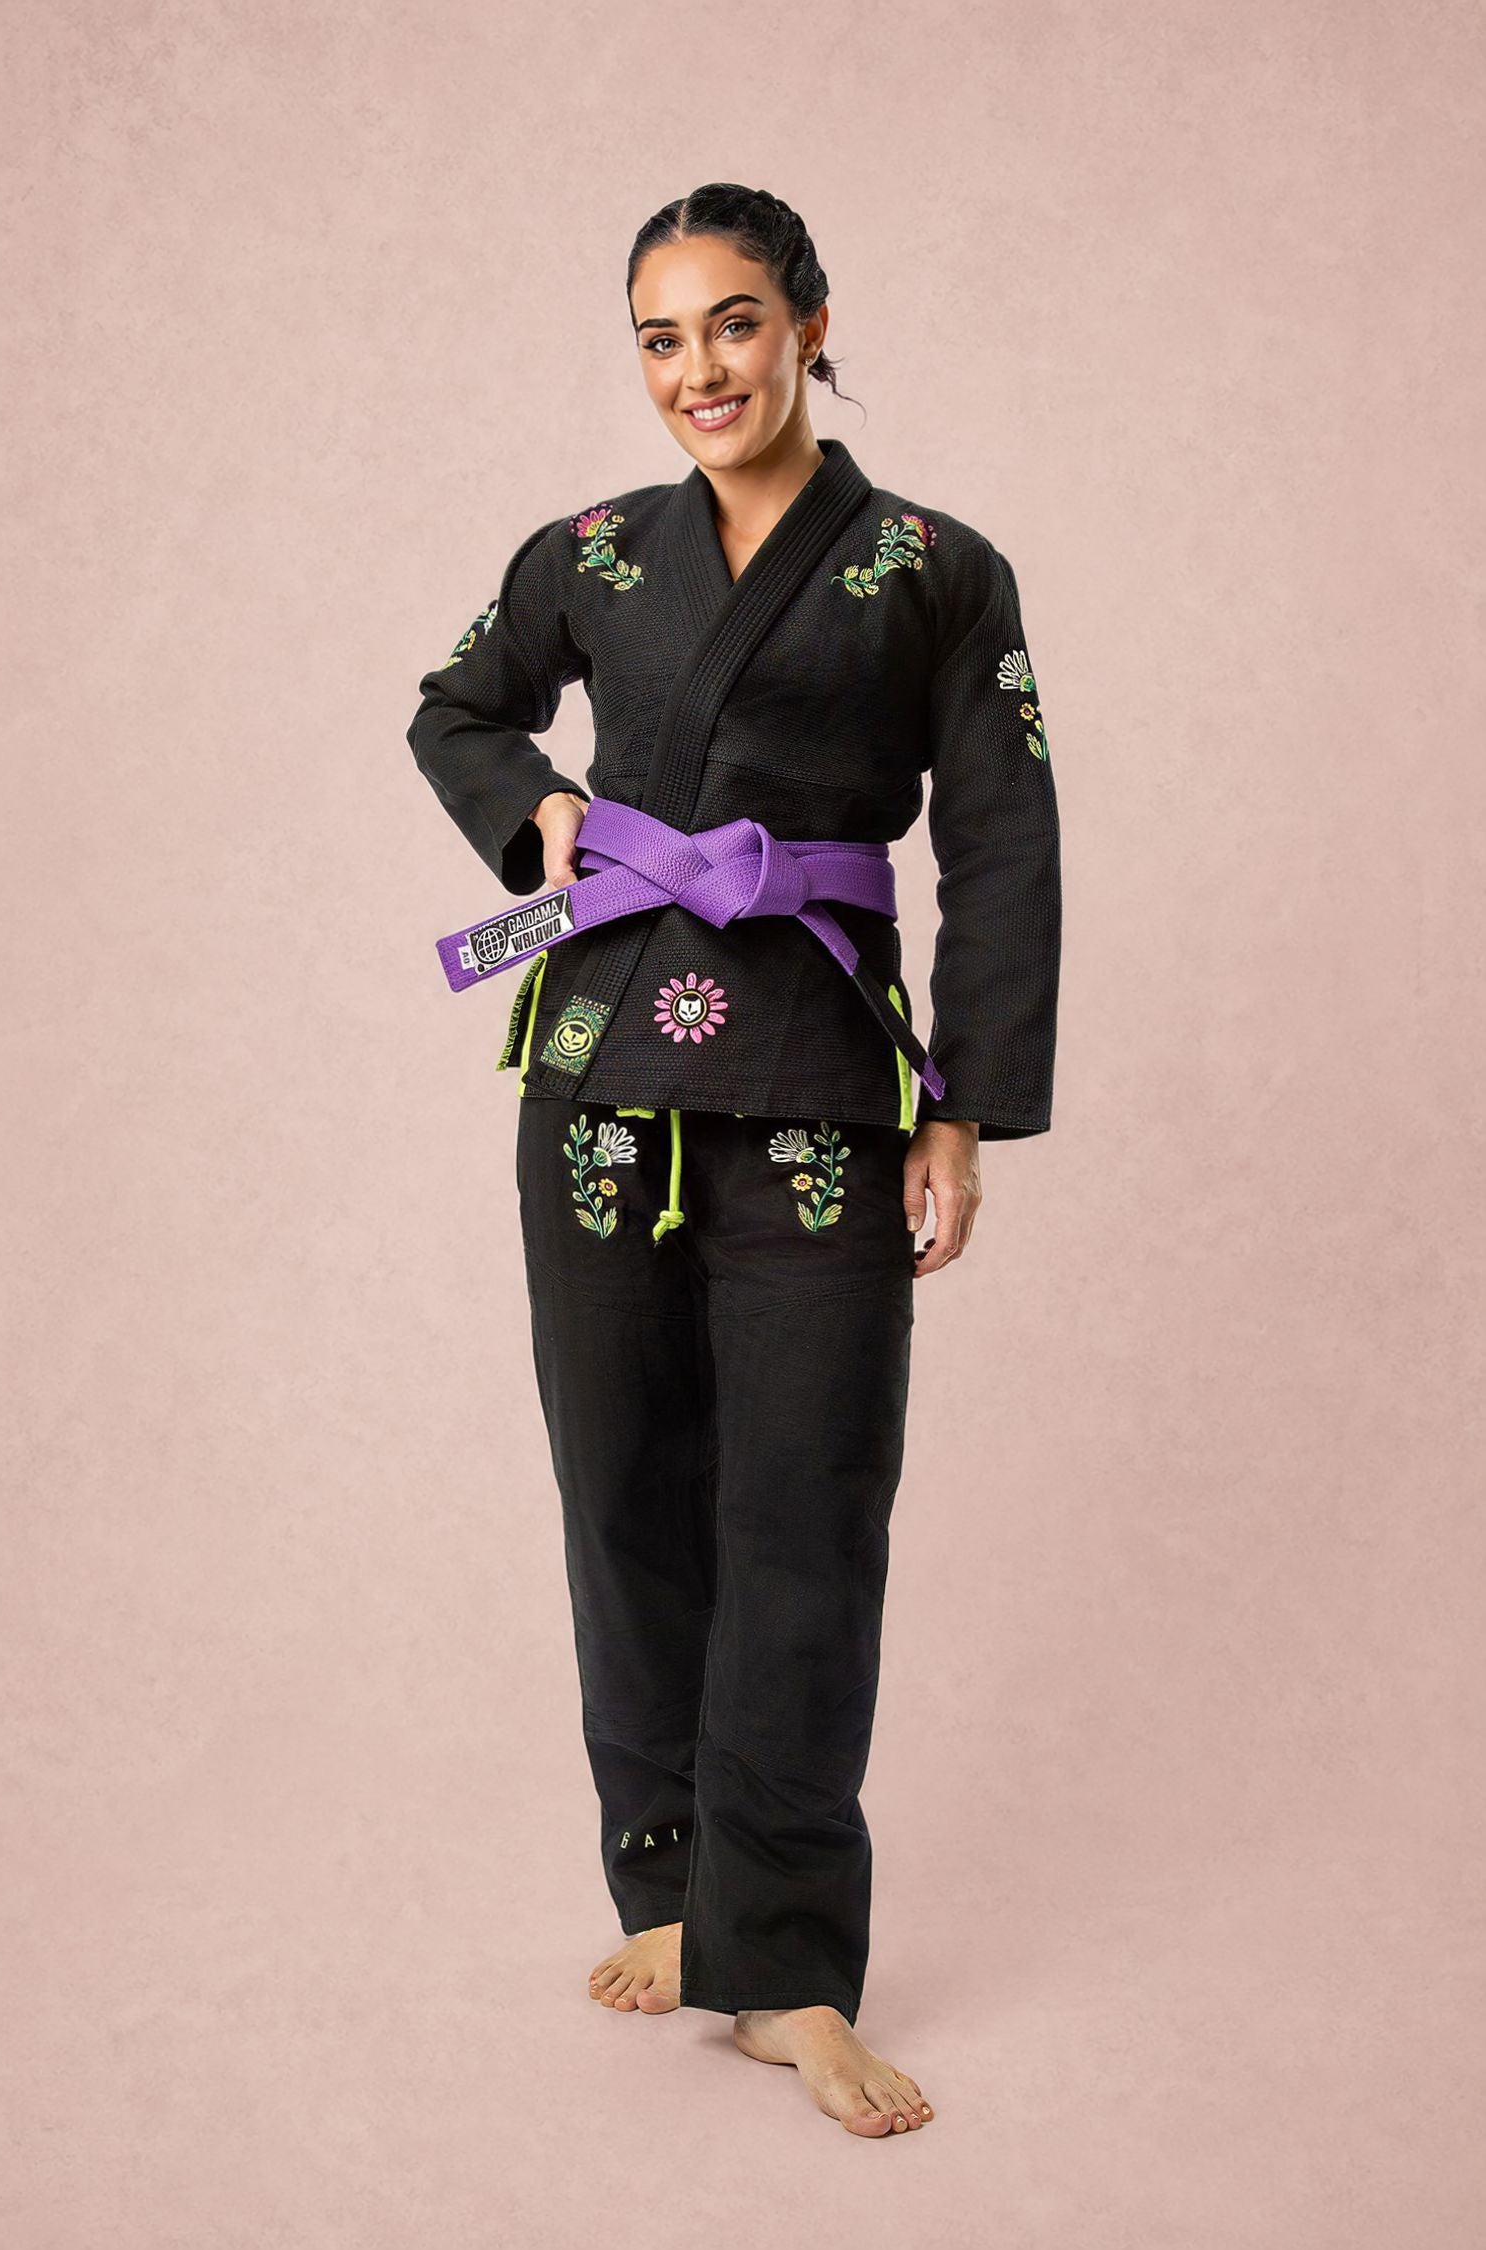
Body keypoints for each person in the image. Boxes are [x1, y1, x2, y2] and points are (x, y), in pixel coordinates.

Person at [406, 182, 1061, 2140]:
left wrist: (961, 1102)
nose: (701, 367)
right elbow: (457, 711)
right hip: (598, 1080)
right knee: (623, 1491)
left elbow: (1003, 844)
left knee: (807, 1511)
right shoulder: (591, 554)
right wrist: (535, 809)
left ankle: (790, 1965)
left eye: (737, 322)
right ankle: (676, 1884)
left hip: (817, 1087)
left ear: (810, 325)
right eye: (661, 336)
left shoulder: (938, 569)